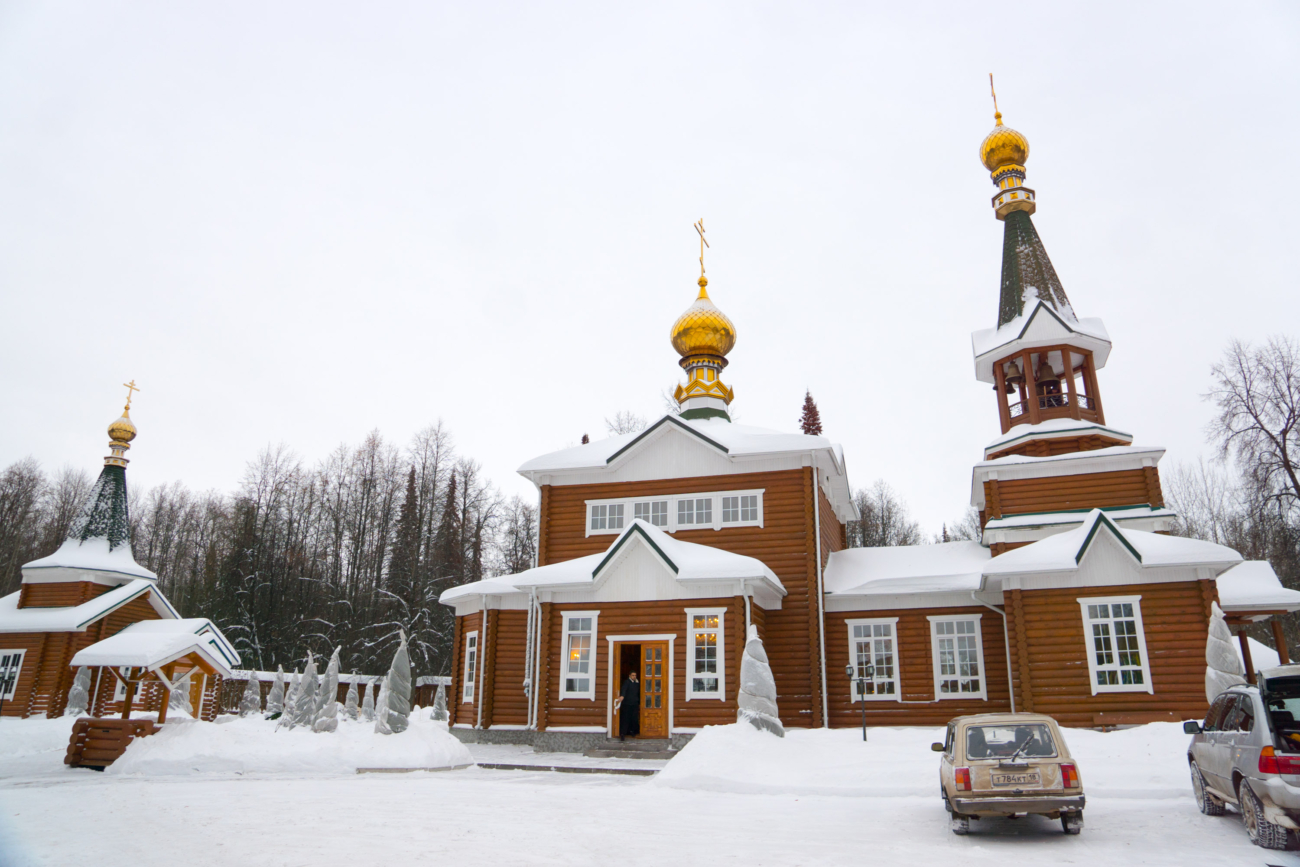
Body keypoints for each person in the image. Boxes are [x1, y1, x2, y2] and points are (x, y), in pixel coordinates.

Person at [617, 669, 640, 741]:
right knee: (625, 719)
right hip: (627, 704)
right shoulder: (627, 682)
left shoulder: (637, 683)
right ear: (629, 676)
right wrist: (622, 696)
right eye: (633, 675)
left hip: (635, 704)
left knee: (634, 718)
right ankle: (623, 734)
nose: (634, 677)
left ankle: (633, 732)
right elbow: (624, 689)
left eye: (635, 675)